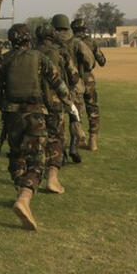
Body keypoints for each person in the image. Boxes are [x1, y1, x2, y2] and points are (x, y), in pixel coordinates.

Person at [0, 23, 70, 230]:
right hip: (35, 115)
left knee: (16, 156)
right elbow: (58, 83)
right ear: (28, 39)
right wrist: (69, 103)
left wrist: (5, 108)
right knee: (37, 160)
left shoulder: (3, 60)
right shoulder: (39, 58)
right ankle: (25, 198)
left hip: (11, 117)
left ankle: (20, 192)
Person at [35, 23, 79, 193]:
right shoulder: (60, 52)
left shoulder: (30, 53)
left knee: (37, 138)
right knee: (56, 138)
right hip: (55, 102)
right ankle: (52, 178)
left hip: (34, 102)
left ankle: (33, 177)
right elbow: (73, 77)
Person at [51, 14, 95, 163]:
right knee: (75, 117)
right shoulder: (77, 42)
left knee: (59, 120)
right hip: (75, 84)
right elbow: (90, 61)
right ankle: (74, 147)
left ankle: (61, 152)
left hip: (56, 87)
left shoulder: (50, 45)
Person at [71, 18, 106, 151]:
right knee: (93, 109)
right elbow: (102, 61)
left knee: (76, 111)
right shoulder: (91, 42)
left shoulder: (69, 43)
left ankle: (80, 138)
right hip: (88, 79)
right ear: (85, 29)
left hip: (75, 80)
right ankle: (93, 141)